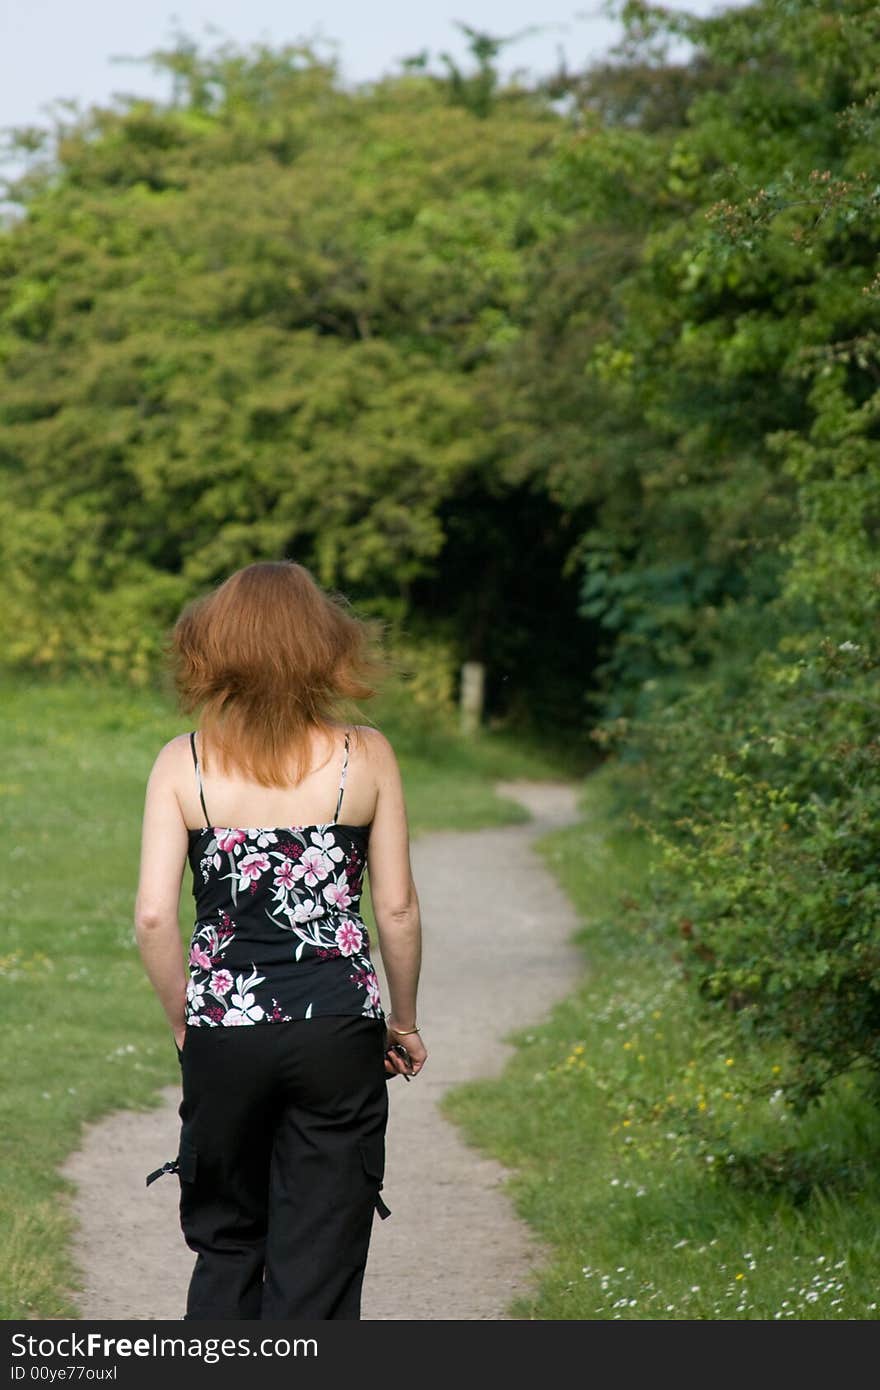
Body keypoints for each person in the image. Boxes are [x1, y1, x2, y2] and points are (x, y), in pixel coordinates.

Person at [134, 559, 427, 1320]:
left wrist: (185, 1024)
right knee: (320, 1252)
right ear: (324, 646)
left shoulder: (183, 763)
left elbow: (156, 919)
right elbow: (394, 910)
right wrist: (403, 1022)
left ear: (214, 647)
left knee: (228, 1241)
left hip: (224, 1034)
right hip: (336, 1028)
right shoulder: (366, 756)